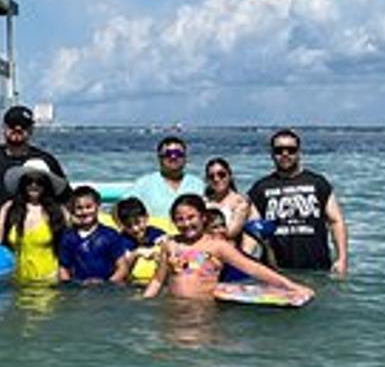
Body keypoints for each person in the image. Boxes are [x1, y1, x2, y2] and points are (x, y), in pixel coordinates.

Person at [144, 195, 314, 302]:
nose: (186, 223)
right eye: (179, 219)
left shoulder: (217, 246)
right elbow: (158, 280)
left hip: (202, 312)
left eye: (191, 217)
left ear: (203, 218)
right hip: (172, 309)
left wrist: (292, 286)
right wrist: (144, 301)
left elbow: (253, 268)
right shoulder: (170, 245)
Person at [245, 129, 349, 275]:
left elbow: (336, 221)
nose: (285, 154)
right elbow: (253, 230)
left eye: (291, 150)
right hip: (277, 271)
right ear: (272, 154)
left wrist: (342, 259)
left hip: (317, 268)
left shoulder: (318, 182)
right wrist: (245, 264)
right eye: (279, 150)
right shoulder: (261, 188)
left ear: (299, 152)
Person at [0, 105, 65, 214]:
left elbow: (64, 197)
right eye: (12, 124)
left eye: (23, 125)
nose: (18, 128)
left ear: (31, 130)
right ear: (4, 127)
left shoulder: (46, 160)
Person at [0, 157, 67, 286]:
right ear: (22, 183)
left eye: (39, 181)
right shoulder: (8, 209)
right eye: (29, 181)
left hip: (49, 280)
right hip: (16, 282)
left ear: (47, 185)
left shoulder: (58, 211)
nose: (34, 185)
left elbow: (69, 246)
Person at [56, 185, 132, 284]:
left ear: (98, 206)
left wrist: (107, 285)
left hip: (107, 288)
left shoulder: (110, 235)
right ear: (72, 210)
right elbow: (63, 268)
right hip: (79, 289)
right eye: (79, 208)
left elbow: (122, 268)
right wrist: (67, 288)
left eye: (89, 207)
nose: (84, 212)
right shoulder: (68, 237)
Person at [130, 135, 204, 219]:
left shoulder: (198, 184)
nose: (173, 157)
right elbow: (119, 209)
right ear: (159, 158)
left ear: (185, 157)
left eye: (178, 153)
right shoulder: (143, 184)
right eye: (168, 154)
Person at [109, 196, 164, 285]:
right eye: (129, 225)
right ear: (122, 226)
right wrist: (136, 253)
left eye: (138, 222)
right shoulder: (123, 240)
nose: (135, 229)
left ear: (146, 218)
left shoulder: (153, 232)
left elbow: (168, 242)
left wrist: (159, 252)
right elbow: (122, 269)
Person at [200, 155, 254, 242]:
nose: (216, 179)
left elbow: (231, 233)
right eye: (211, 176)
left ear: (230, 176)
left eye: (221, 174)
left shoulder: (240, 203)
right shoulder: (203, 201)